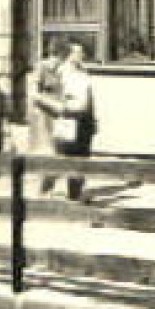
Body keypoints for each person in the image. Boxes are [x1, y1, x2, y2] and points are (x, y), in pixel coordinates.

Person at [55, 42, 97, 201]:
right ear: (69, 54)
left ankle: (78, 191)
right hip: (71, 118)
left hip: (85, 119)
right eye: (78, 52)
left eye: (82, 52)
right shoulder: (62, 71)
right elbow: (58, 95)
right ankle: (72, 194)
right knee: (70, 155)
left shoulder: (83, 71)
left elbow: (90, 96)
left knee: (84, 154)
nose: (82, 55)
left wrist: (94, 118)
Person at [28, 39, 68, 195]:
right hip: (44, 114)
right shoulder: (41, 68)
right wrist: (52, 104)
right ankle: (43, 190)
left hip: (60, 115)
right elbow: (33, 94)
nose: (60, 61)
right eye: (60, 57)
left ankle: (49, 188)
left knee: (60, 151)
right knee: (49, 151)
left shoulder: (63, 70)